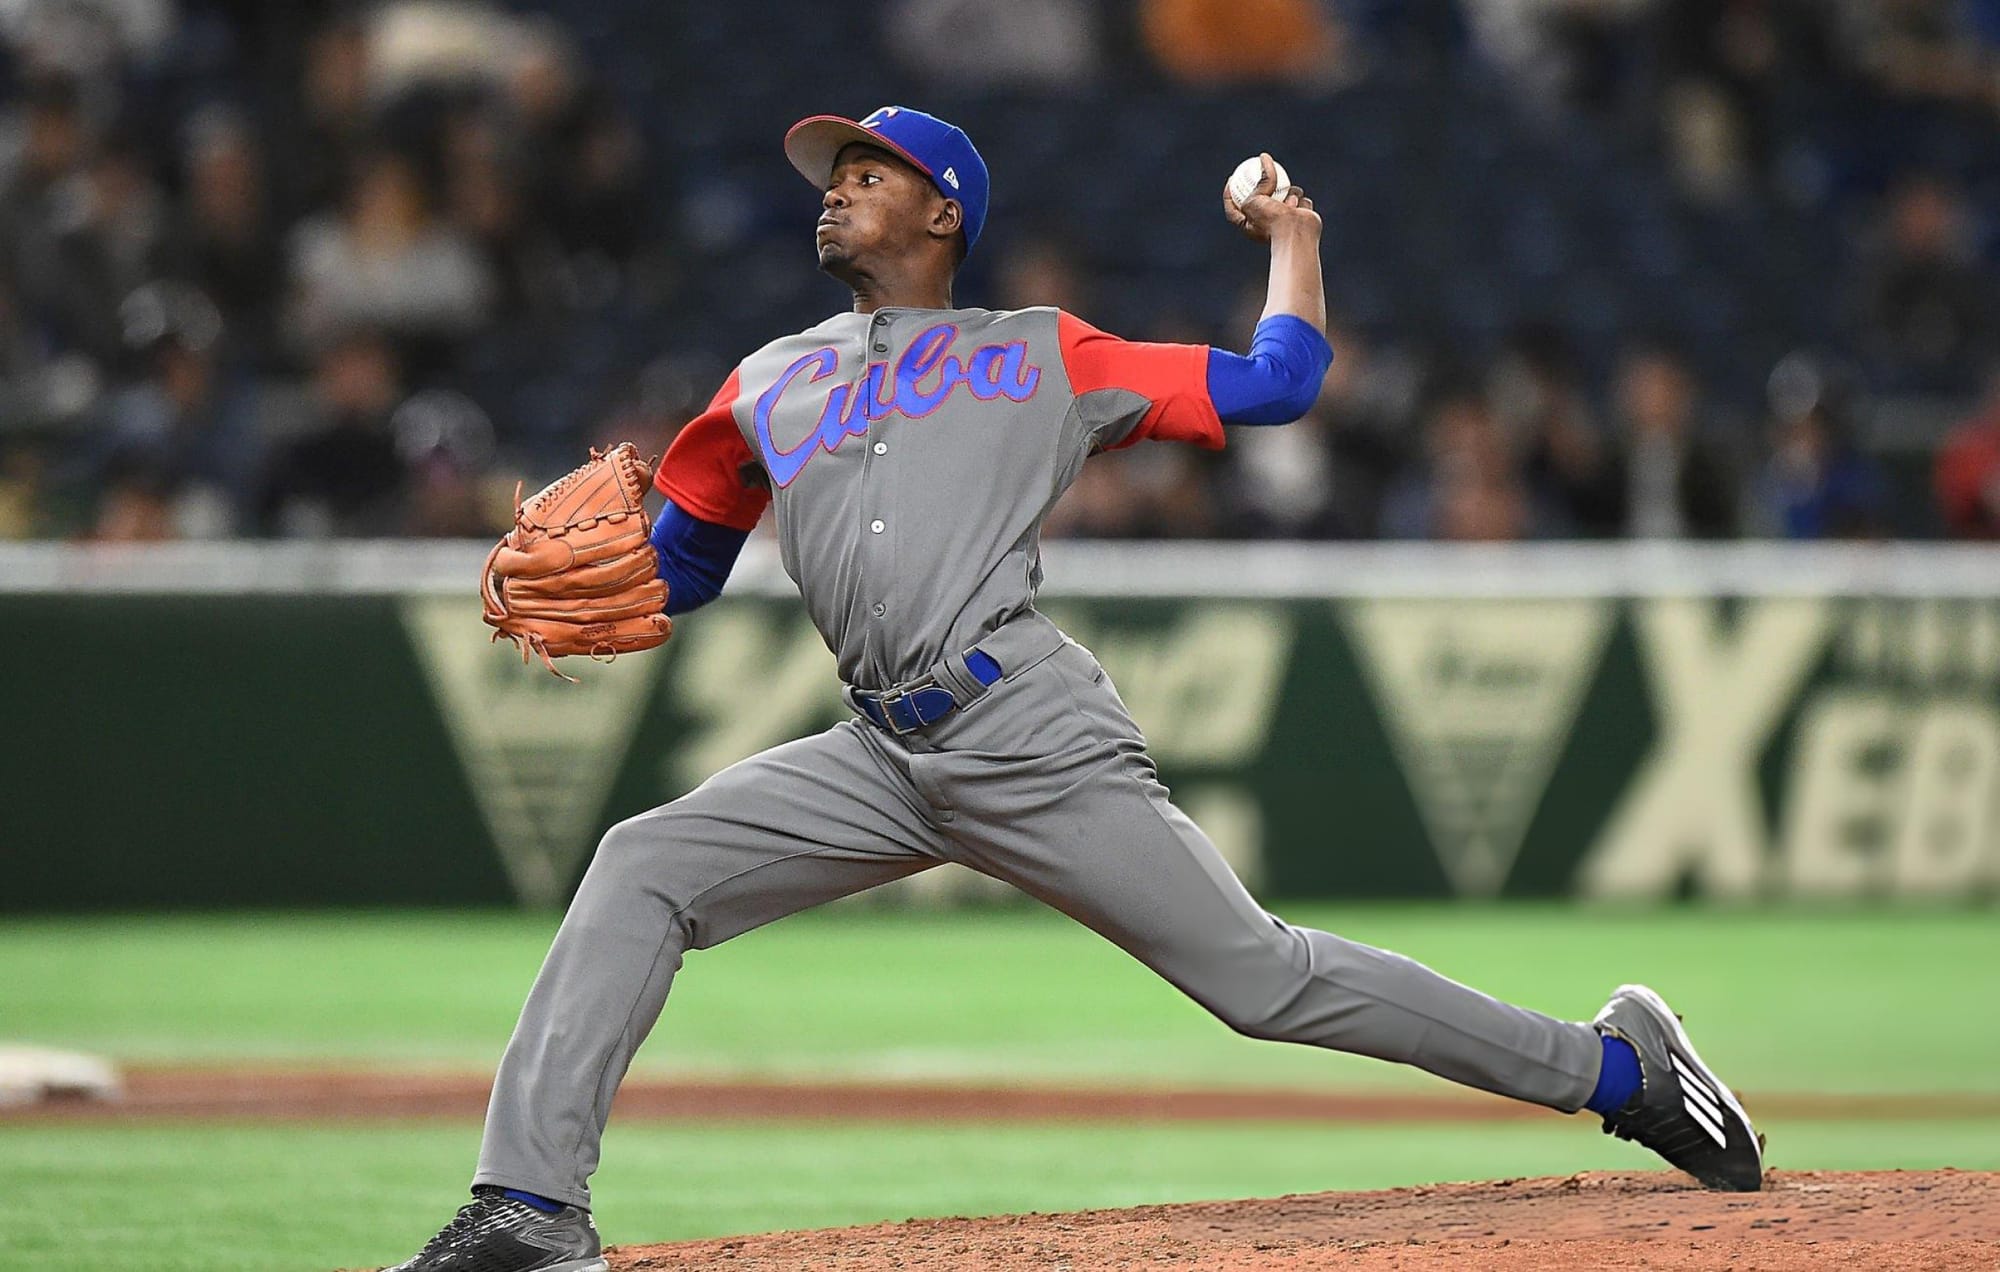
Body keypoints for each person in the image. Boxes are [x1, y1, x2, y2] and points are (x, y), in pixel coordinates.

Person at [386, 106, 1763, 1272]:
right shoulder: (766, 383)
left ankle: (1620, 1071)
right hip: (878, 755)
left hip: (1026, 728)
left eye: (871, 173)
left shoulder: (1046, 351)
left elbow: (1280, 386)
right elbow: (677, 567)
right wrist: (591, 583)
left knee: (1262, 983)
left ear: (943, 215)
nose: (840, 188)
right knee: (645, 867)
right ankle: (532, 1208)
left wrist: (1297, 242)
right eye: (833, 174)